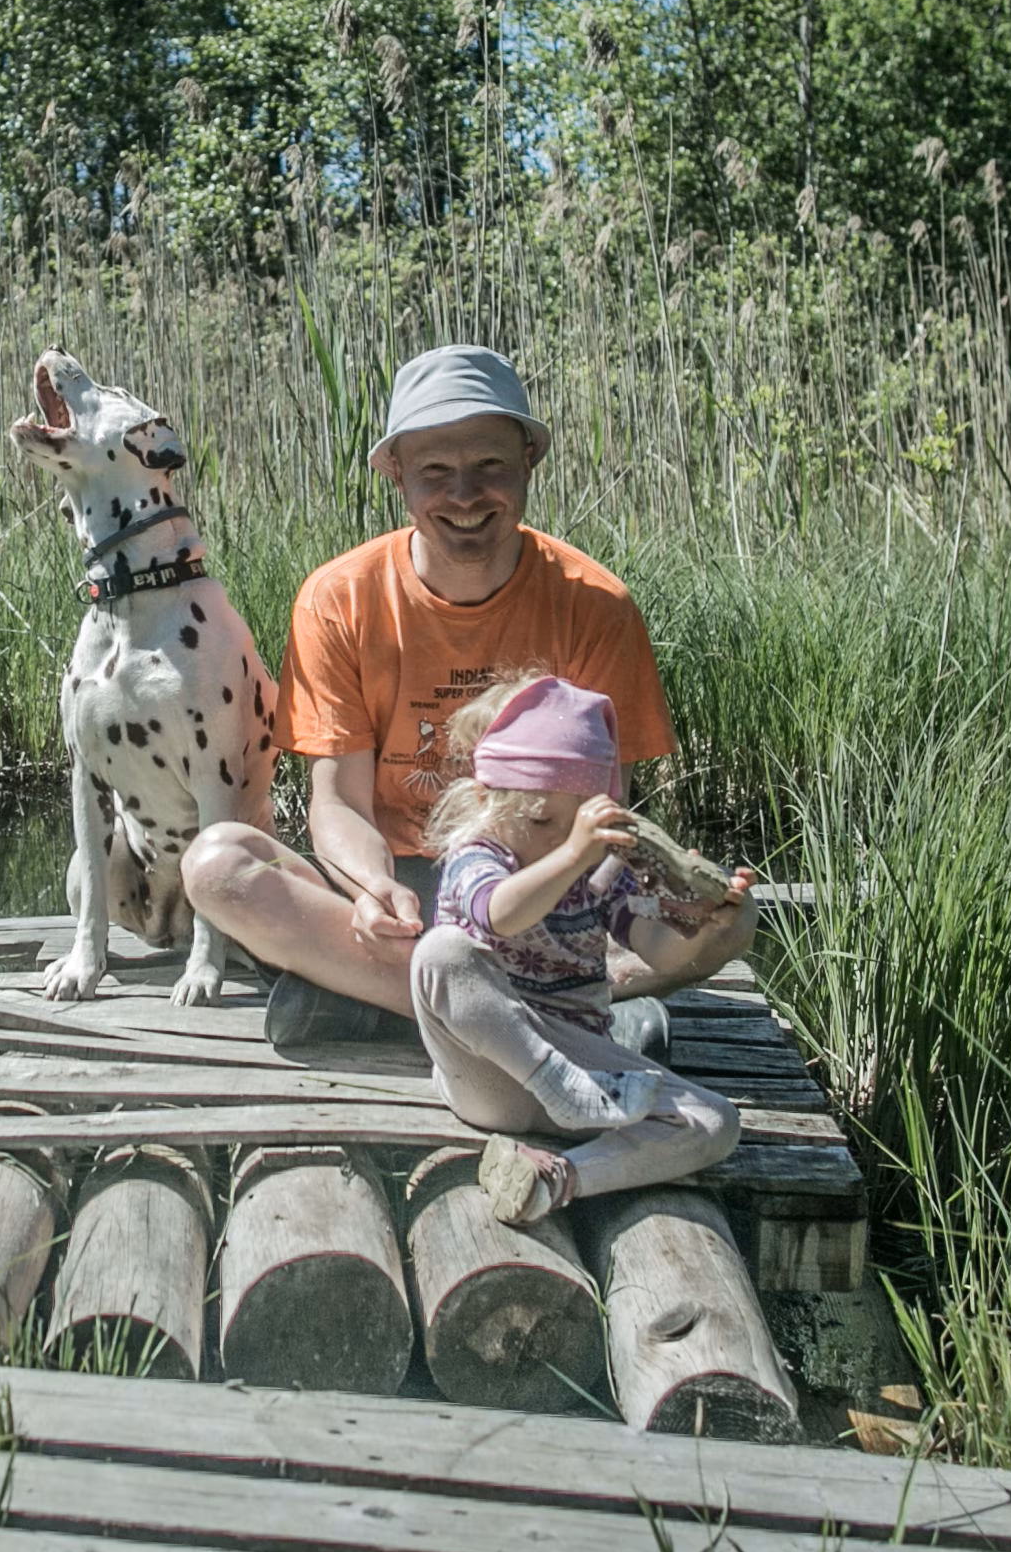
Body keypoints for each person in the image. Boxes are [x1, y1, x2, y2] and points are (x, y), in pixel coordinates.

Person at [180, 343, 757, 1044]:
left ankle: (391, 1000)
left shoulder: (596, 606)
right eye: (435, 472)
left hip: (545, 894)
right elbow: (337, 804)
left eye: (489, 466)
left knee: (731, 930)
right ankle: (545, 1016)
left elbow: (605, 815)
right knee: (219, 864)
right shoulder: (337, 600)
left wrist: (607, 909)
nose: (463, 496)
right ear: (396, 475)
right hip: (406, 895)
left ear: (528, 461)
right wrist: (370, 889)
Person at [408, 673, 743, 1224]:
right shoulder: (478, 856)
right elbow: (501, 915)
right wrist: (574, 854)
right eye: (543, 821)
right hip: (490, 1072)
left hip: (582, 1068)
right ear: (485, 799)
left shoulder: (601, 870)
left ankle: (559, 1180)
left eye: (579, 827)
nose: (564, 841)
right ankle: (557, 1087)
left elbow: (661, 954)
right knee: (440, 954)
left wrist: (708, 925)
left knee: (715, 1123)